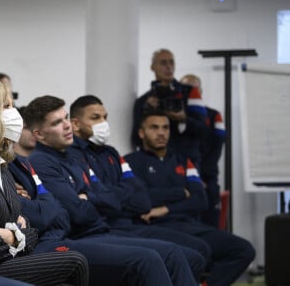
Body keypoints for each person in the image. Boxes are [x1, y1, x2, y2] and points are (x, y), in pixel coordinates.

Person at [24, 95, 200, 286]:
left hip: (100, 231)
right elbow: (78, 213)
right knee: (147, 259)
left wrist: (89, 197)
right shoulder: (41, 161)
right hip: (77, 238)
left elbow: (112, 201)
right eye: (57, 122)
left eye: (66, 117)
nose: (67, 125)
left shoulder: (74, 157)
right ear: (39, 134)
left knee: (174, 254)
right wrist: (95, 202)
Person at [69, 94, 213, 282]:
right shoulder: (72, 155)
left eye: (105, 117)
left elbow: (143, 200)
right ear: (76, 124)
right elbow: (98, 202)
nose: (103, 123)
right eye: (96, 118)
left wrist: (109, 197)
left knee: (196, 255)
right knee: (176, 255)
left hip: (130, 223)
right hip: (107, 228)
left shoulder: (111, 153)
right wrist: (118, 196)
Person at [124, 110, 256, 286]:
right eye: (154, 128)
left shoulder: (183, 161)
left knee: (244, 250)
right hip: (156, 227)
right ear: (142, 132)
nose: (161, 133)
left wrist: (165, 208)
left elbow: (201, 200)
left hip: (190, 225)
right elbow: (142, 199)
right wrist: (180, 192)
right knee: (197, 250)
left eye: (165, 128)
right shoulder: (128, 162)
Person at [0, 80, 89, 286]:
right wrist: (15, 235)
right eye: (6, 106)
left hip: (9, 258)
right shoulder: (36, 161)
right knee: (76, 261)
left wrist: (12, 235)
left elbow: (30, 226)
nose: (14, 113)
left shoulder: (2, 166)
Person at [131, 49, 207, 169]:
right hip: (154, 163)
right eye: (163, 63)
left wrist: (183, 119)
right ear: (152, 67)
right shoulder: (144, 101)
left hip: (186, 162)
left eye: (171, 62)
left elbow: (204, 129)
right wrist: (148, 114)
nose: (169, 67)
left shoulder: (190, 92)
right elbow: (136, 137)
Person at [180, 74, 226, 228]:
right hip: (182, 176)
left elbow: (217, 148)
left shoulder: (215, 116)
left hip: (207, 177)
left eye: (194, 88)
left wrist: (202, 177)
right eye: (187, 88)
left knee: (210, 221)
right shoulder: (175, 117)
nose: (191, 91)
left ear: (201, 91)